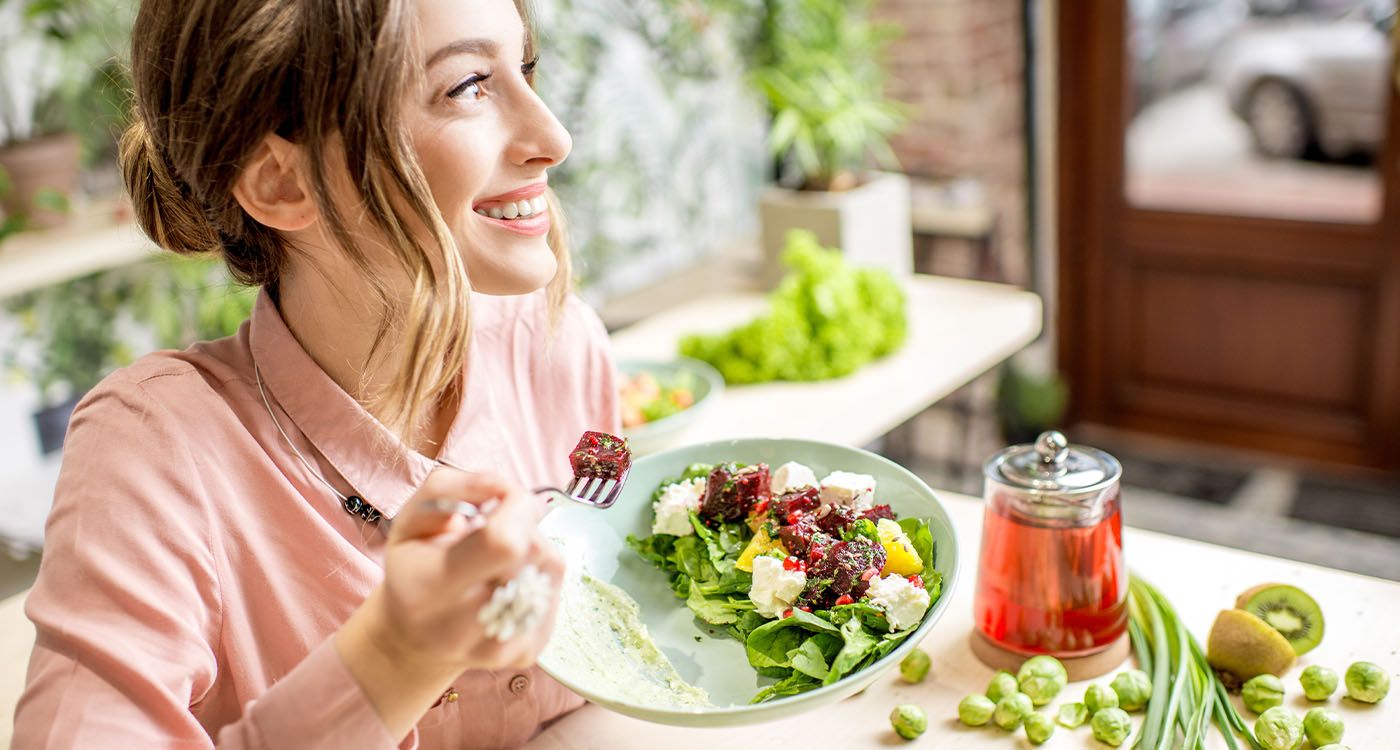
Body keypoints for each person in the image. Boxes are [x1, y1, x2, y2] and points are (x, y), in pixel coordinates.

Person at [12, 0, 620, 747]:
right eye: (467, 86)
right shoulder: (154, 449)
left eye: (523, 67)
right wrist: (396, 656)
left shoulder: (560, 345)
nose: (553, 137)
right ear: (280, 184)